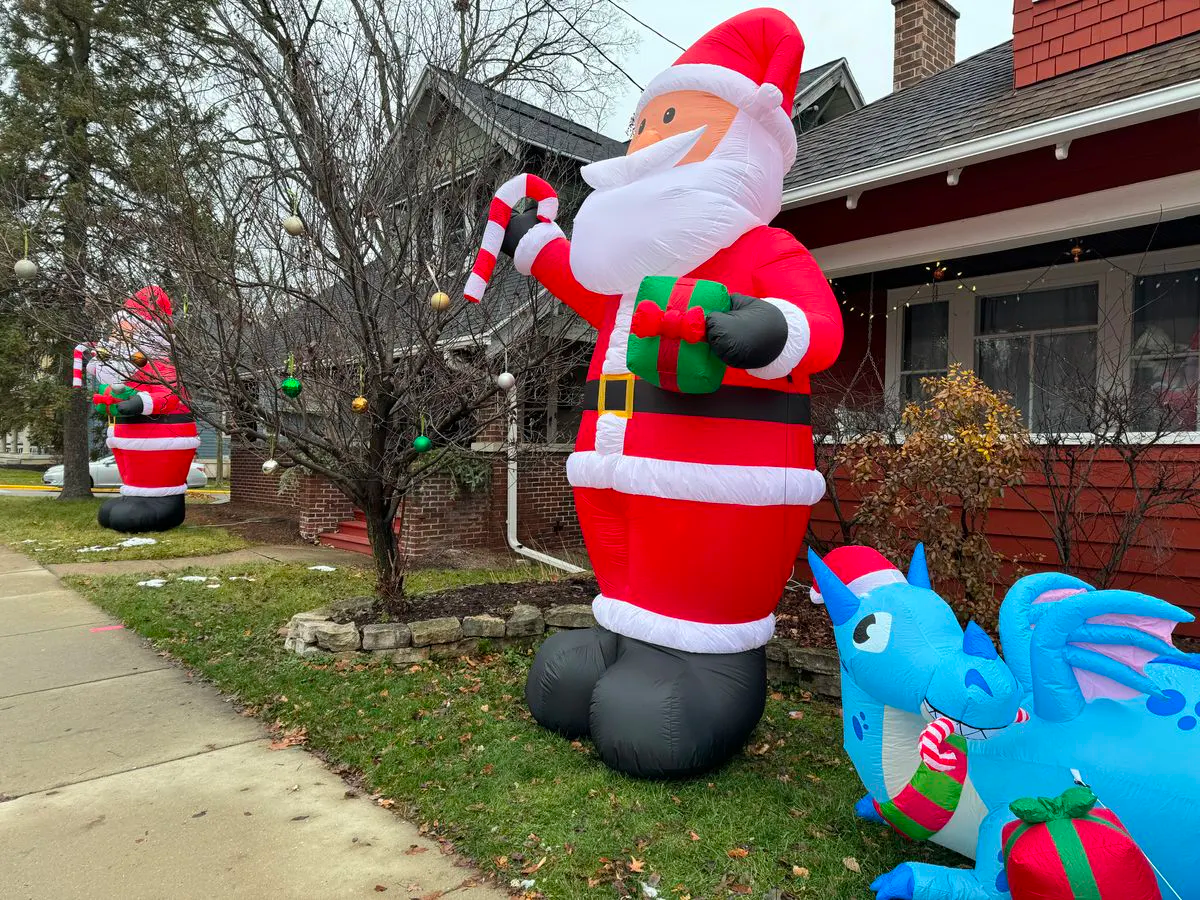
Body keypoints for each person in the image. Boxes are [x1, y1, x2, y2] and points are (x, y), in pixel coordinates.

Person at [499, 8, 843, 778]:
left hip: (721, 496)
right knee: (626, 572)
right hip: (615, 481)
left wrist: (764, 330)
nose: (650, 137)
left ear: (744, 138)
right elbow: (589, 289)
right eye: (646, 121)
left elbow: (819, 324)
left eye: (674, 118)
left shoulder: (762, 250)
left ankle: (709, 677)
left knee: (680, 633)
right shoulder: (629, 284)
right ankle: (620, 640)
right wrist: (535, 245)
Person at [88, 286, 199, 533]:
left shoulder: (161, 366)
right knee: (123, 498)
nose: (115, 340)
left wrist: (141, 403)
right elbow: (115, 395)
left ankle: (166, 504)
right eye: (116, 334)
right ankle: (135, 495)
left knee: (157, 472)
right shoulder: (125, 372)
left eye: (124, 334)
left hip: (166, 436)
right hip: (131, 438)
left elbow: (171, 393)